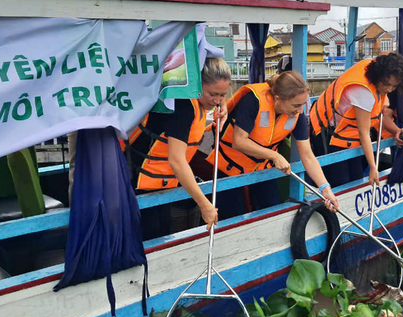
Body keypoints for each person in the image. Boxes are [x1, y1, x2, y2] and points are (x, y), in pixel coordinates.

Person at [125, 57, 231, 239]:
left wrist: (224, 104)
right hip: (138, 184)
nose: (217, 100)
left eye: (222, 95)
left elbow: (216, 97)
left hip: (161, 184)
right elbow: (176, 160)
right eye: (213, 94)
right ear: (197, 84)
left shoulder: (197, 101)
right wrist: (204, 204)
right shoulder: (183, 108)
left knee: (164, 233)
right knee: (149, 238)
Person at [208, 71, 340, 217]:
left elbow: (307, 155)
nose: (300, 110)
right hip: (229, 166)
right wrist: (274, 156)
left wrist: (325, 189)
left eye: (303, 104)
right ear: (278, 99)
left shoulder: (297, 115)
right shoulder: (253, 100)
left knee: (271, 210)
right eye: (296, 105)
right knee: (230, 215)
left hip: (262, 169)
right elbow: (239, 141)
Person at [309, 53, 403, 187]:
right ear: (378, 76)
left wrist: (385, 99)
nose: (389, 89)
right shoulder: (363, 92)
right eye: (387, 85)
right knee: (339, 182)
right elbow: (363, 132)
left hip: (348, 135)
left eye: (394, 87)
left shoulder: (374, 69)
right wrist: (373, 167)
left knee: (356, 176)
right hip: (328, 132)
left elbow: (378, 106)